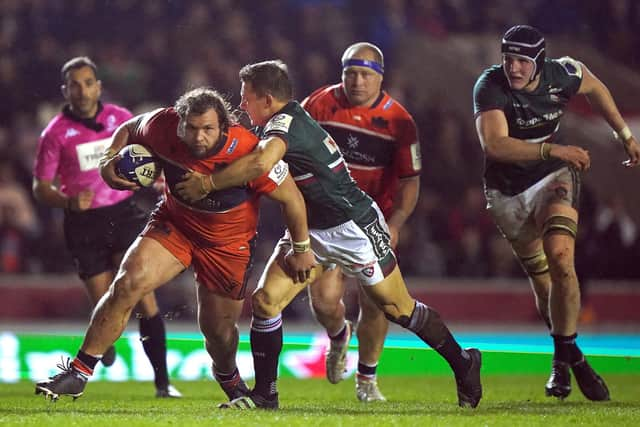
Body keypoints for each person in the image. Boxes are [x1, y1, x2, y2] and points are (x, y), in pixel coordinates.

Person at [178, 60, 481, 410]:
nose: (242, 106)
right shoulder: (284, 120)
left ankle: (464, 361)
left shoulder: (284, 124)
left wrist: (209, 184)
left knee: (398, 309)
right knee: (264, 302)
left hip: (354, 226)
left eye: (246, 99)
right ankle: (265, 395)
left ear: (266, 99)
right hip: (312, 228)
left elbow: (262, 163)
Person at [34, 87, 313, 402]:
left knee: (218, 335)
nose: (198, 137)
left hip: (227, 246)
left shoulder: (249, 151)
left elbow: (291, 199)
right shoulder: (162, 125)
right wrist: (109, 160)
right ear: (179, 123)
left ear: (225, 125)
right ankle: (79, 372)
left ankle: (232, 385)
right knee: (128, 283)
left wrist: (301, 248)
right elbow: (129, 128)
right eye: (191, 129)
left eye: (207, 129)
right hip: (176, 226)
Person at [473, 25, 640, 401]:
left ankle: (560, 367)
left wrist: (624, 135)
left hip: (552, 177)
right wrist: (556, 151)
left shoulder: (563, 73)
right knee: (544, 282)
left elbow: (595, 87)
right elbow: (496, 146)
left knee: (562, 257)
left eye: (521, 61)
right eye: (508, 58)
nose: (513, 67)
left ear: (539, 62)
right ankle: (572, 359)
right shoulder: (489, 86)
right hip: (507, 192)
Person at [32, 56, 179, 398]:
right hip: (83, 224)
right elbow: (40, 187)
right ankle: (104, 345)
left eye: (87, 82)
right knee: (106, 305)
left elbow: (145, 157)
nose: (81, 90)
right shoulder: (54, 134)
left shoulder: (121, 119)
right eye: (74, 84)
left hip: (123, 214)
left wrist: (155, 176)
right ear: (65, 90)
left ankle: (162, 384)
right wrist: (67, 201)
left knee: (144, 297)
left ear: (98, 86)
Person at [300, 42, 421, 402]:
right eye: (350, 73)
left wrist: (396, 221)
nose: (357, 81)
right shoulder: (318, 105)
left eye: (365, 74)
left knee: (377, 302)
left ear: (380, 78)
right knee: (323, 301)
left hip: (370, 223)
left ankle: (367, 380)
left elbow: (410, 179)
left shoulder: (399, 122)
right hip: (325, 220)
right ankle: (338, 334)